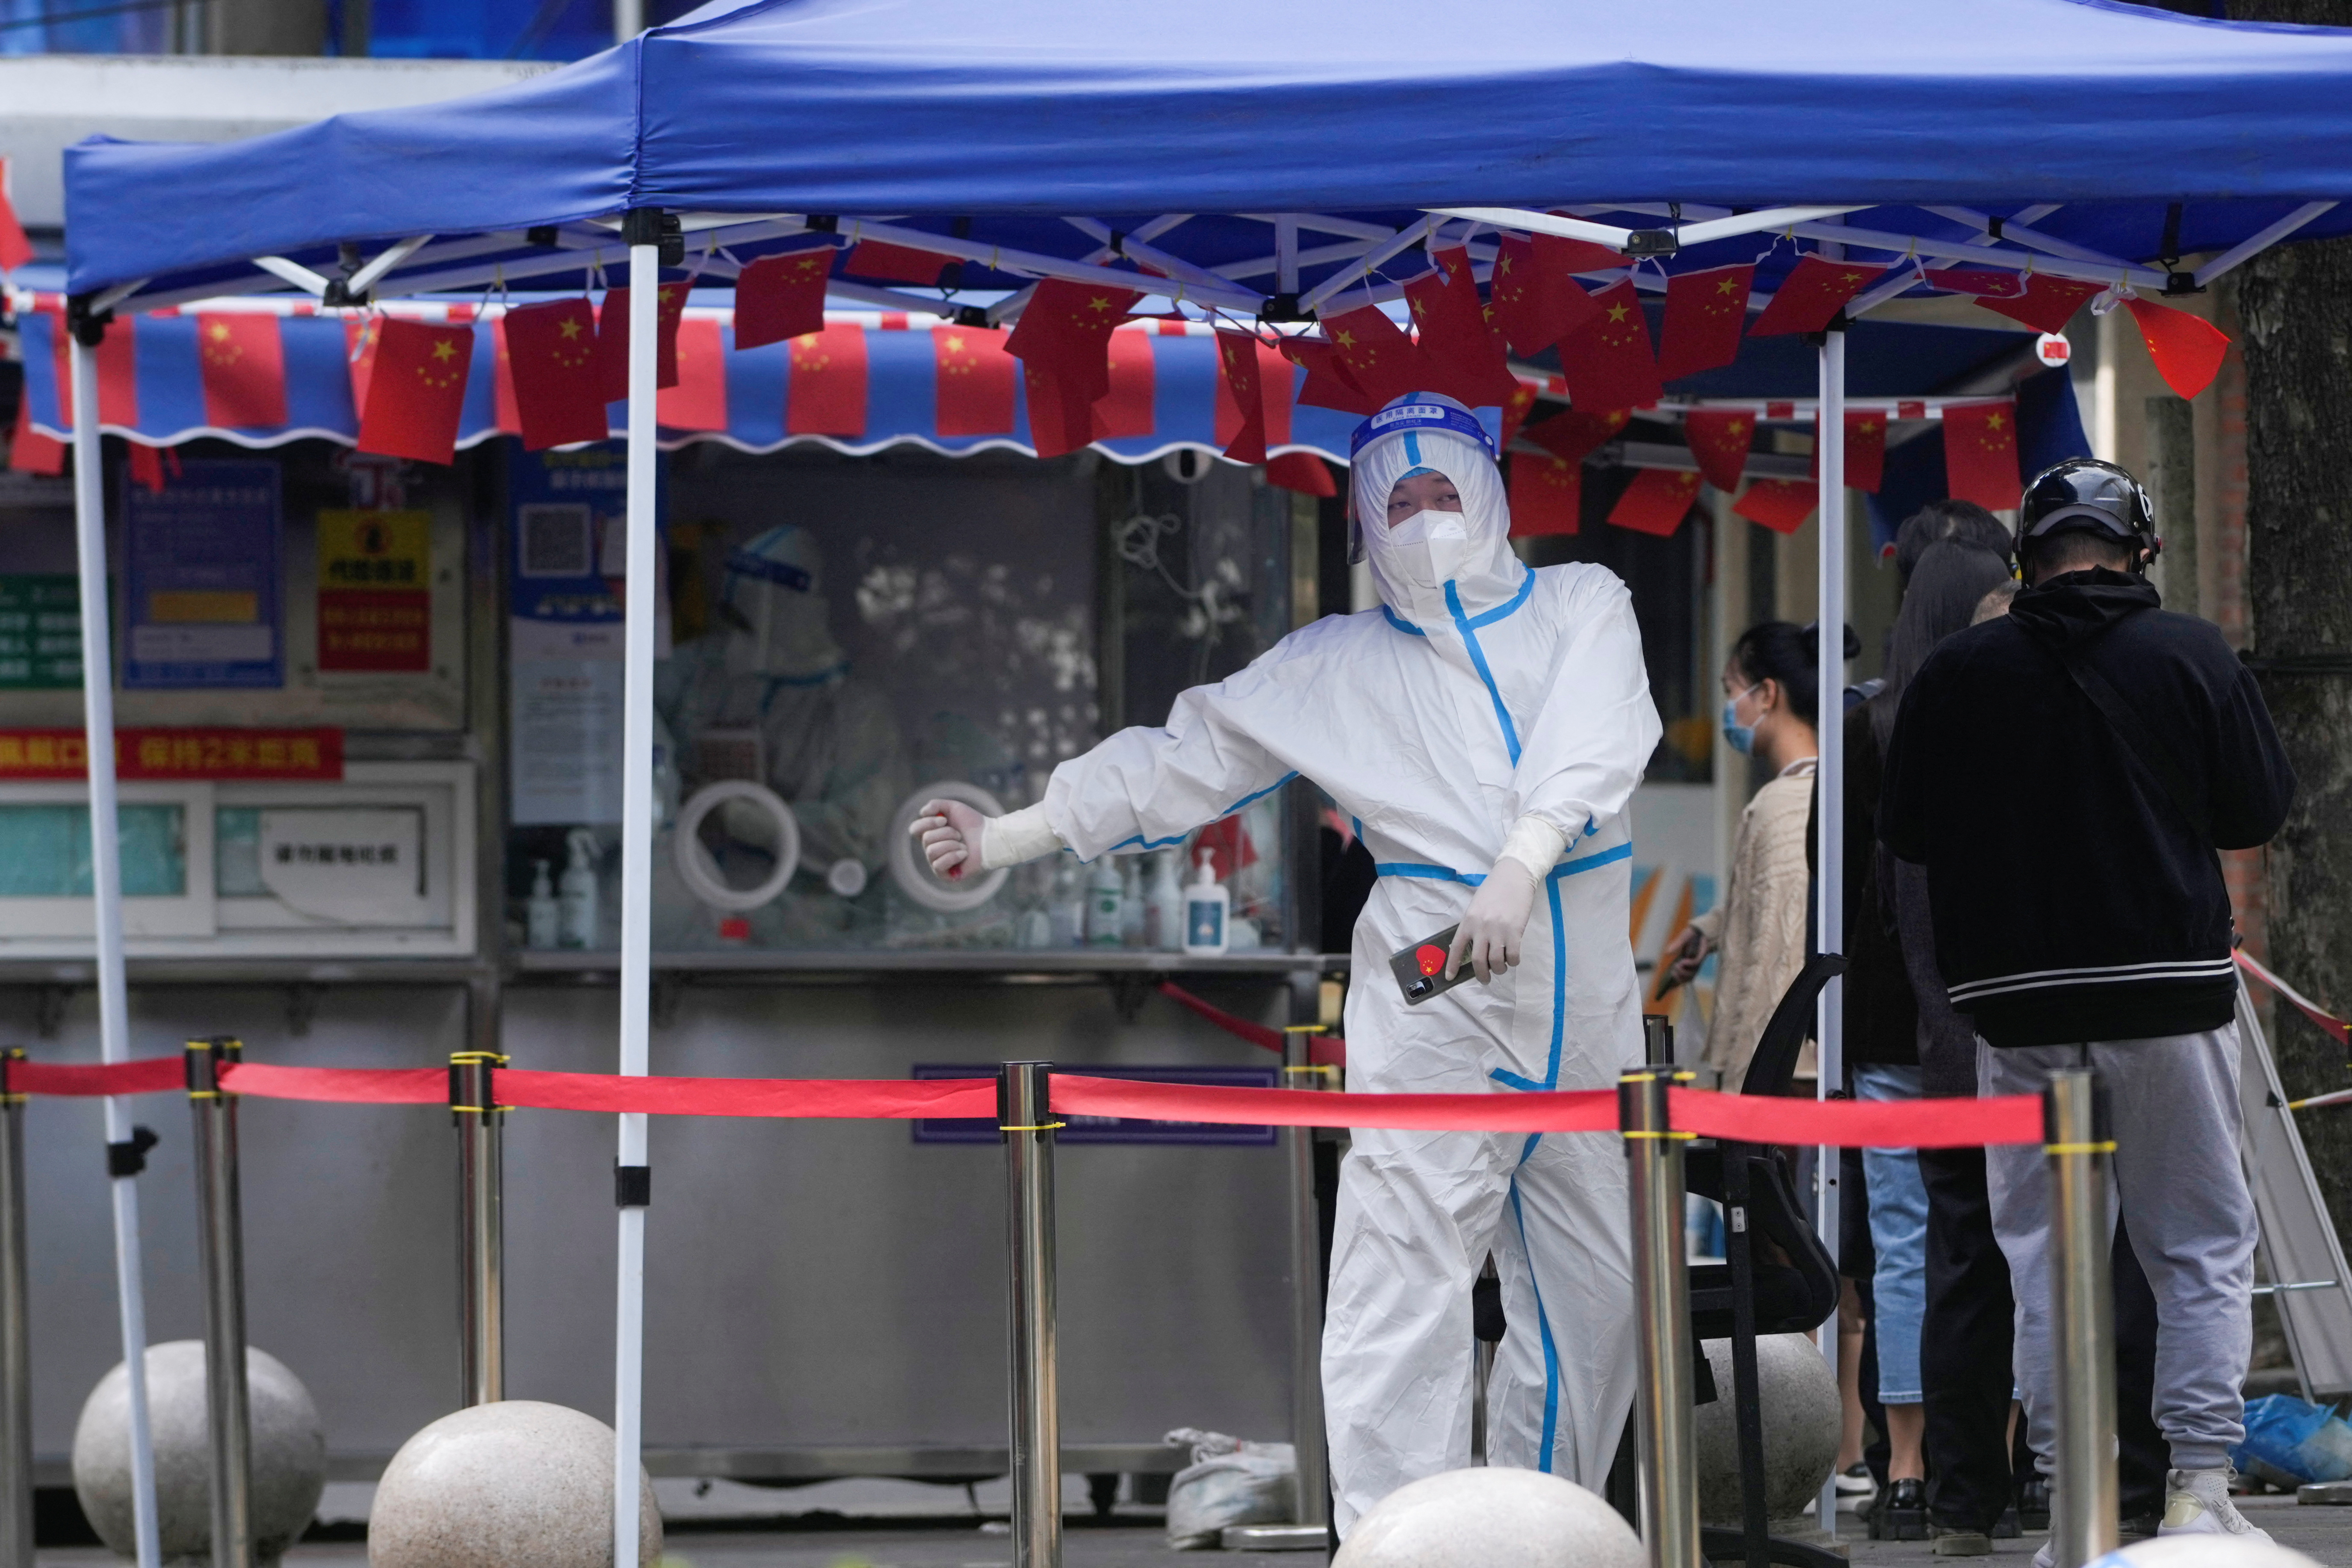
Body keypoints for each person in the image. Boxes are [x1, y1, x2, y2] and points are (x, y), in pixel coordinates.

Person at [913, 392, 1662, 1529]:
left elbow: (1593, 736)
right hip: (1434, 1000)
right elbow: (1183, 758)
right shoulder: (1334, 663)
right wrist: (1012, 835)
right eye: (1394, 503)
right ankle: (1399, 1545)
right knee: (1400, 1286)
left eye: (1442, 493)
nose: (1422, 520)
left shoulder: (1580, 603)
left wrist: (1523, 861)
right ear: (1363, 524)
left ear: (1494, 493)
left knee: (1592, 1298)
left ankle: (1540, 1536)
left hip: (1586, 999)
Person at [1880, 458, 2296, 1559]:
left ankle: (2068, 1489)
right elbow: (2254, 809)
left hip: (2011, 1013)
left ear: (2028, 553)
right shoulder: (2190, 651)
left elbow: (1909, 832)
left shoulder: (1958, 669)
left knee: (2041, 1253)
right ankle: (2197, 1485)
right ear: (2138, 549)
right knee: (2197, 1241)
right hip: (2165, 993)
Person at [1841, 540, 2015, 1542]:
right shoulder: (2000, 717)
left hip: (1885, 1017)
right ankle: (1993, 1450)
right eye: (1998, 598)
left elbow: (1846, 888)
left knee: (1909, 1249)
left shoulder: (1867, 728)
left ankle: (1907, 1464)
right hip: (1973, 1013)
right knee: (2001, 1237)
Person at [659, 524, 912, 900]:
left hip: (804, 930)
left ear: (801, 615)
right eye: (730, 617)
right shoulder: (699, 672)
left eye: (746, 622)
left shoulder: (856, 712)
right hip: (691, 905)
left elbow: (861, 835)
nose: (734, 639)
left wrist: (737, 818)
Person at [1661, 622, 1830, 1087]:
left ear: (1767, 695)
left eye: (1730, 690)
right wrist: (1715, 927)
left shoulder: (1786, 805)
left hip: (1781, 1078)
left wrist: (1741, 1085)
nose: (1726, 709)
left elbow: (1778, 953)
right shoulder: (1813, 791)